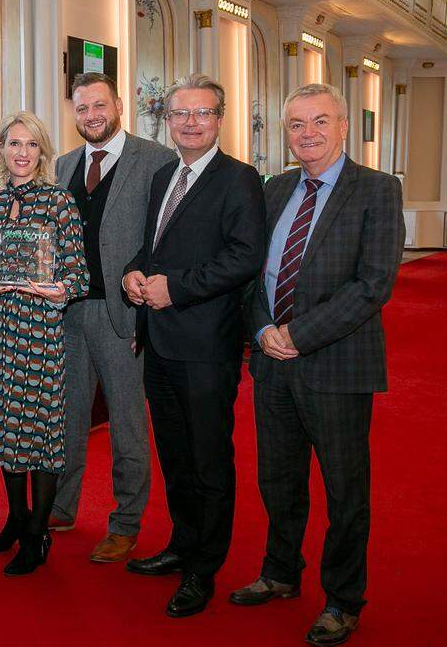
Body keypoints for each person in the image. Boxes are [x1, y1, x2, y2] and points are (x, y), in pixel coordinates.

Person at [230, 83, 405, 647]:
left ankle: (343, 599)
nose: (308, 133)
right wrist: (261, 330)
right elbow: (251, 271)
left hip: (336, 362)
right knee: (278, 480)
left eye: (320, 122)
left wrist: (298, 336)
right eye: (297, 124)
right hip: (272, 363)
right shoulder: (275, 188)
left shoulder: (376, 190)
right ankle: (281, 572)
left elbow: (373, 284)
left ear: (344, 125)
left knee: (344, 489)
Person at [122, 74, 265, 618]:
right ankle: (182, 546)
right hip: (158, 342)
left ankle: (204, 568)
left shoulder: (239, 179)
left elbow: (244, 256)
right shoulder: (165, 176)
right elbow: (155, 247)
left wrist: (173, 289)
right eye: (181, 113)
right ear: (168, 119)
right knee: (176, 457)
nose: (190, 122)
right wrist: (135, 273)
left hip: (206, 345)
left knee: (209, 461)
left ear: (220, 119)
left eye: (202, 113)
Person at [50, 73, 176, 565]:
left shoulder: (155, 159)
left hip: (122, 311)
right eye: (81, 109)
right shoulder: (63, 164)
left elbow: (165, 234)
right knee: (67, 416)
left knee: (126, 422)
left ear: (118, 104)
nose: (90, 116)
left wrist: (147, 295)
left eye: (98, 105)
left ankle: (125, 522)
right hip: (67, 309)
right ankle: (60, 505)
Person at [0, 111, 89, 575]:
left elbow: (78, 275)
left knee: (38, 431)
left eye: (31, 145)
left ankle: (37, 534)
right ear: (0, 150)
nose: (21, 153)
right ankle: (16, 520)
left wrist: (58, 288)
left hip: (38, 329)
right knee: (4, 427)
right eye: (13, 144)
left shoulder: (59, 203)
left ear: (42, 152)